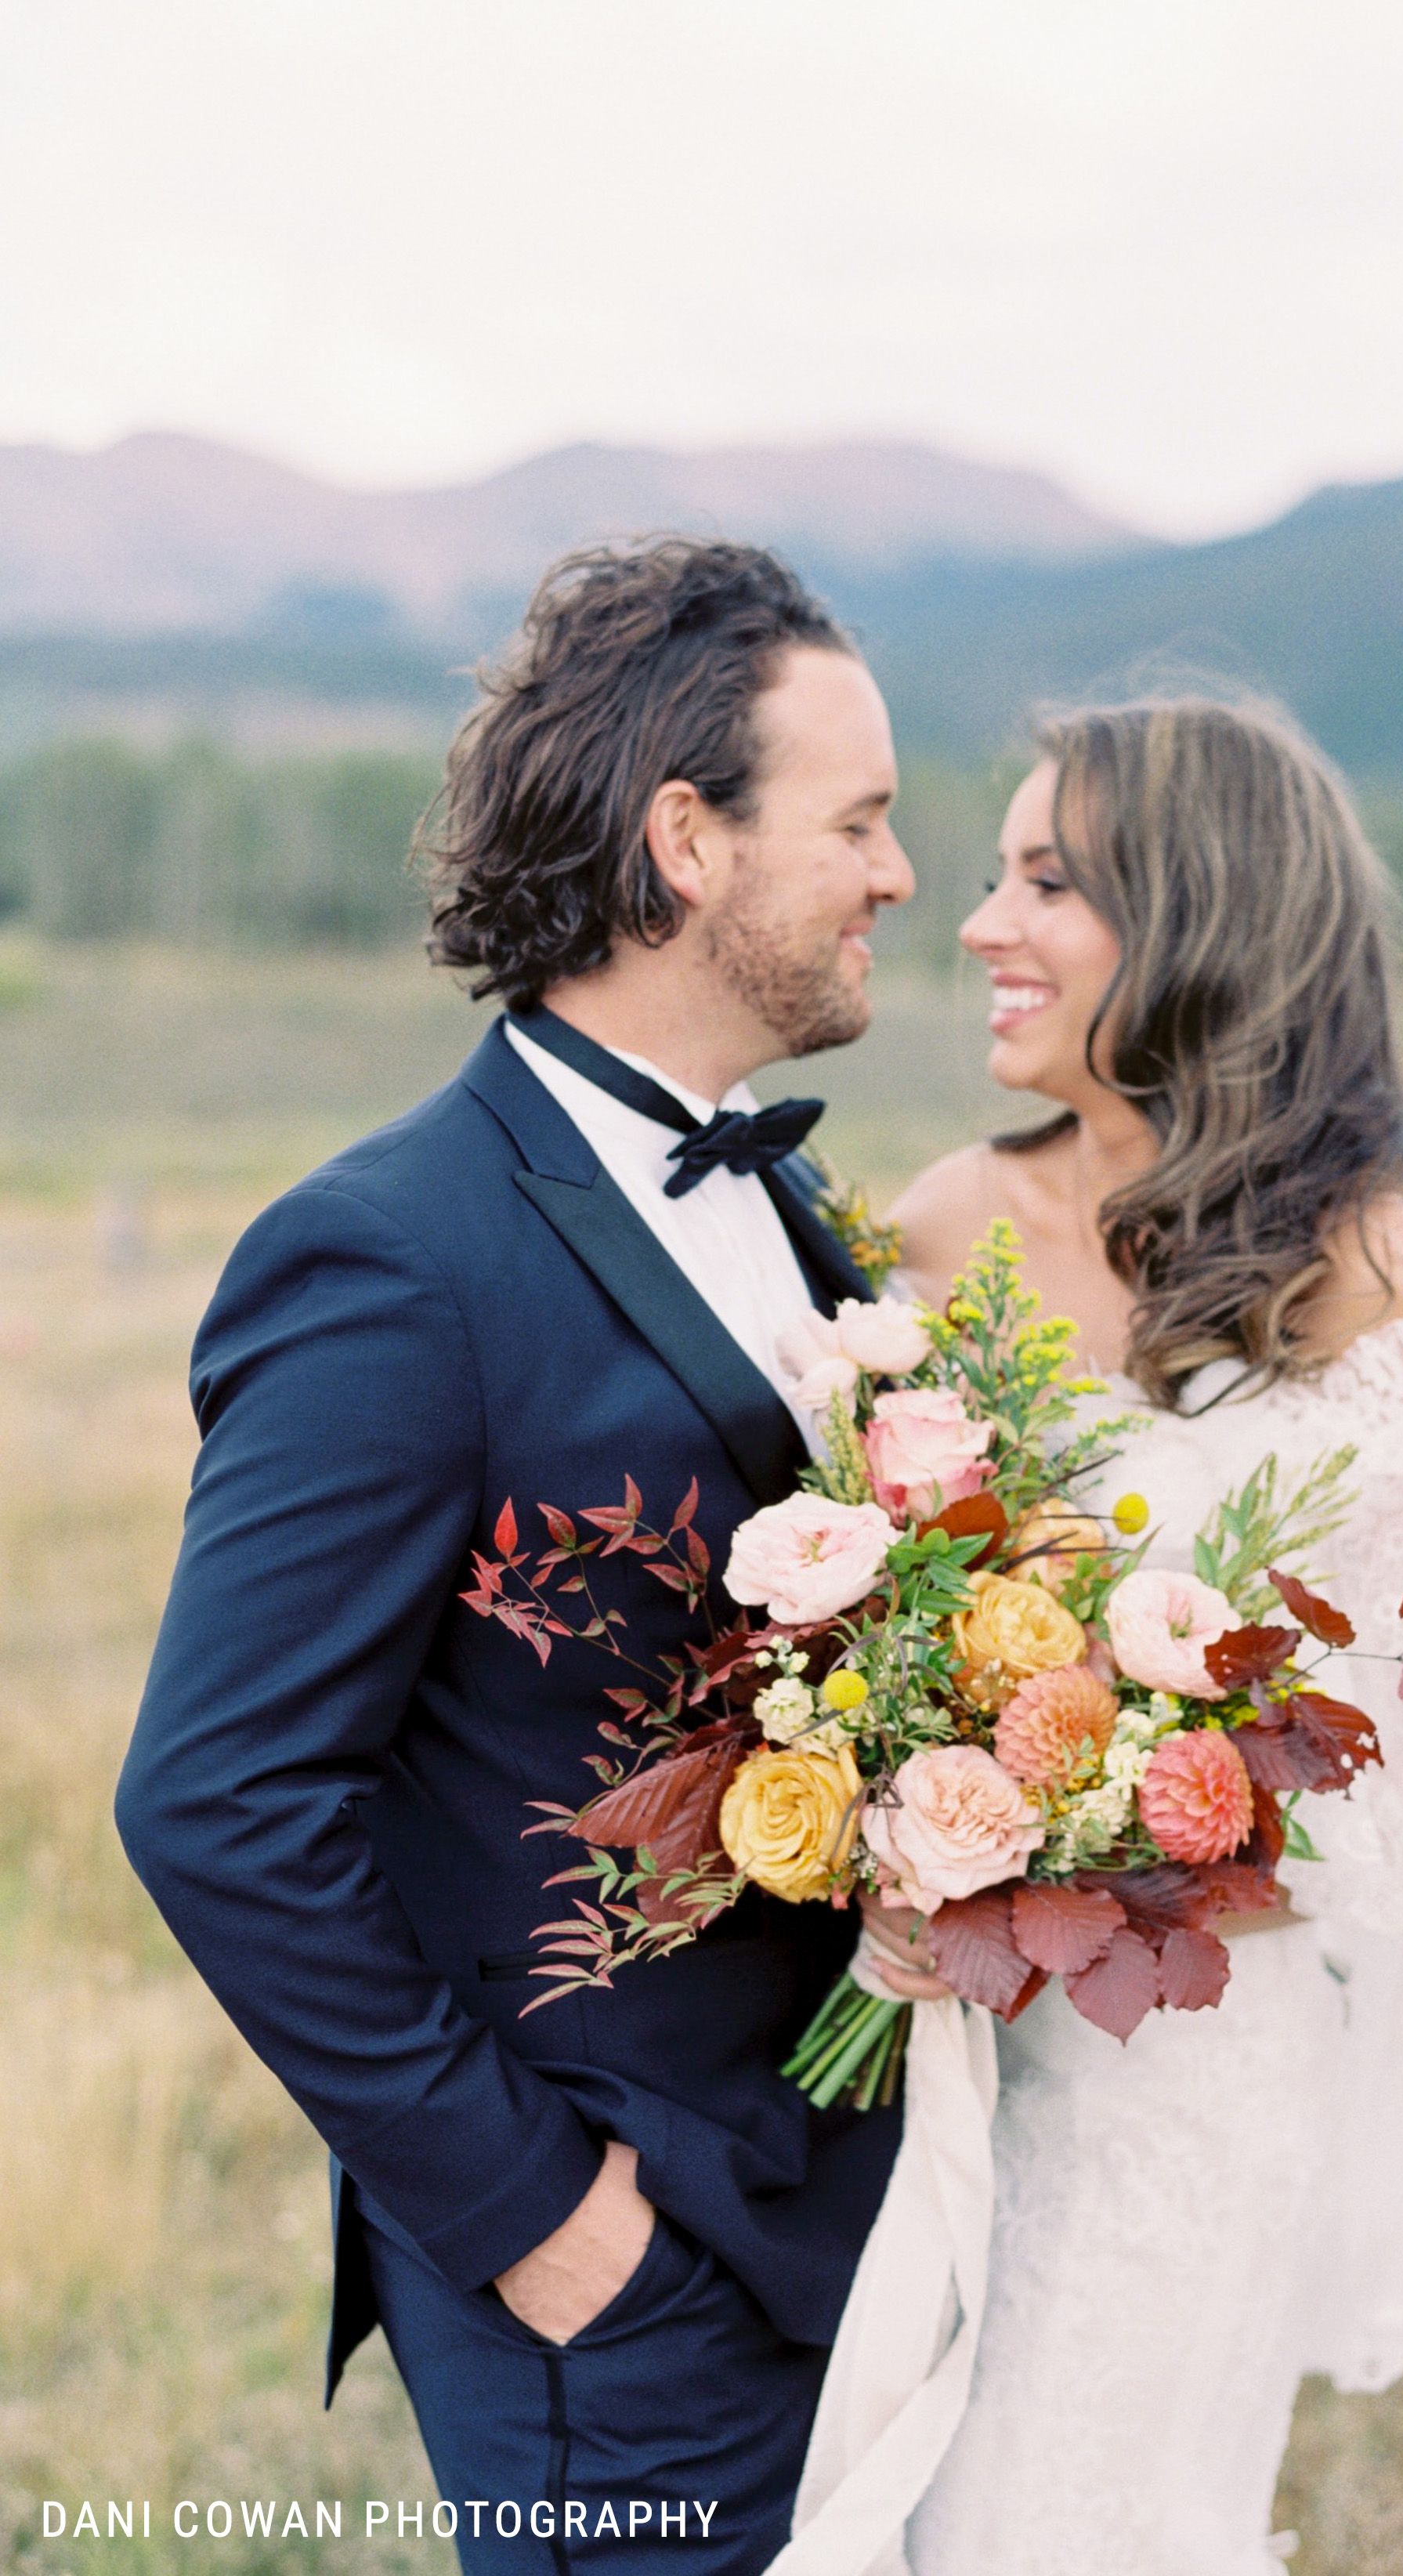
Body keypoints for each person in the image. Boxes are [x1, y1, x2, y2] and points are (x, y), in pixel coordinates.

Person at [115, 538, 915, 2575]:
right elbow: (216, 1801)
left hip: (840, 2208)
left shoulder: (803, 1222)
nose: (898, 874)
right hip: (611, 2279)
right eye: (859, 821)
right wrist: (538, 2226)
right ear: (686, 841)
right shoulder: (394, 1258)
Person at [875, 696, 1403, 2575]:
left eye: (1048, 881)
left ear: (1201, 916)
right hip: (906, 2057)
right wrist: (896, 1813)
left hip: (1177, 2081)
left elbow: (1386, 1789)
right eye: (991, 872)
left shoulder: (1378, 1286)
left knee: (1049, 2523)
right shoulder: (936, 1230)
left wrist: (1063, 1844)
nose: (980, 921)